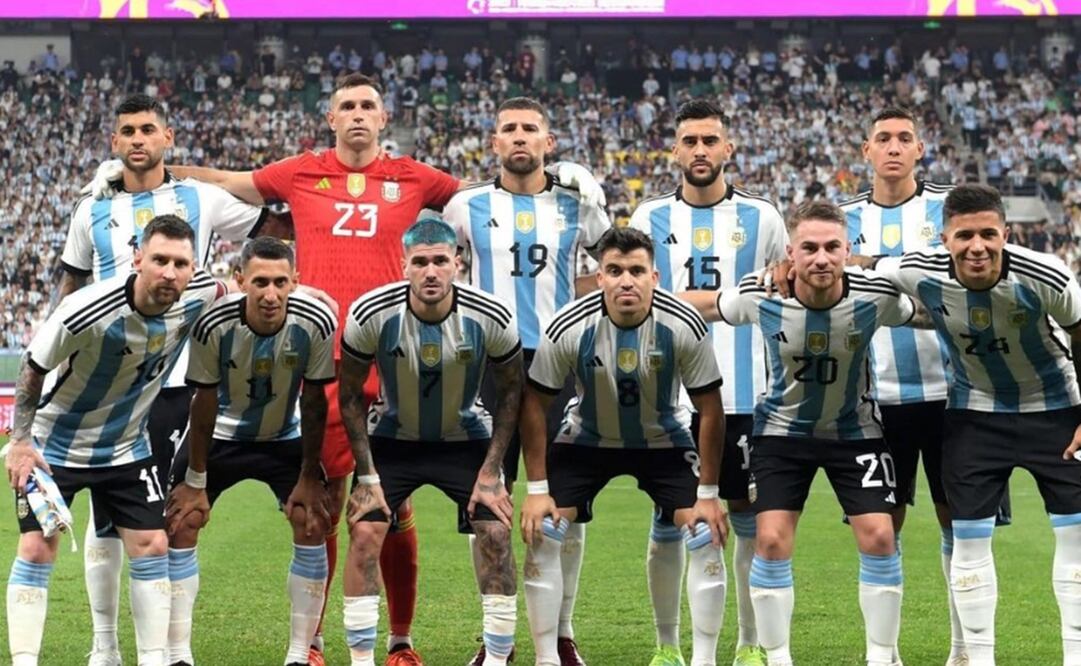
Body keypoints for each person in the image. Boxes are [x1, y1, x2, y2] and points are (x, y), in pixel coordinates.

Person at [85, 72, 600, 666]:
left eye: (368, 106)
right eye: (347, 106)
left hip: (399, 360)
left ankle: (401, 641)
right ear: (330, 119)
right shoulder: (299, 171)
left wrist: (563, 180)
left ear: (384, 119)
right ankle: (316, 643)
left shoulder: (416, 178)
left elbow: (496, 196)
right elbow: (231, 183)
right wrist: (149, 179)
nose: (358, 114)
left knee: (394, 506)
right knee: (327, 505)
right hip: (327, 364)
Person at [61, 93, 268, 666]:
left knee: (176, 517)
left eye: (147, 129)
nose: (137, 139)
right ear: (113, 142)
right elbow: (71, 291)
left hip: (181, 382)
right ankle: (104, 647)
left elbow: (269, 213)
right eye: (126, 130)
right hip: (109, 386)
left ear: (167, 137)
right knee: (106, 520)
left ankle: (177, 650)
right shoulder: (91, 211)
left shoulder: (198, 198)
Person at [688, 200, 923, 666]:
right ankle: (778, 658)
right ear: (789, 253)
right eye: (809, 248)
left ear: (848, 250)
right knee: (770, 539)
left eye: (832, 247)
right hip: (780, 435)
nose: (821, 258)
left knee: (879, 535)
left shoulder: (875, 295)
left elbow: (928, 310)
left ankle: (881, 657)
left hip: (856, 432)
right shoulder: (760, 294)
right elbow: (712, 306)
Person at [869, 184, 1081, 666]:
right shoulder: (918, 268)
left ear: (1006, 234)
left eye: (989, 234)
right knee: (967, 538)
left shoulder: (1047, 275)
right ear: (945, 239)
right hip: (975, 414)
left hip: (1055, 410)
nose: (977, 246)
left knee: (1075, 535)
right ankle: (977, 659)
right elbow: (868, 266)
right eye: (964, 235)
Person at [5, 216, 225, 666]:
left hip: (127, 447)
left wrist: (304, 292)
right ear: (137, 259)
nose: (170, 272)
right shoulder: (87, 309)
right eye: (159, 259)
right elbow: (32, 367)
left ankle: (152, 659)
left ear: (192, 268)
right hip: (55, 447)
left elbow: (231, 289)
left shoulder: (197, 293)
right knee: (37, 546)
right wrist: (22, 442)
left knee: (152, 544)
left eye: (181, 263)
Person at [840, 106, 1009, 666]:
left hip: (953, 395)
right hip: (874, 399)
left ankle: (963, 650)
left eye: (904, 138)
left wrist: (875, 263)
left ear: (920, 150)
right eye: (882, 137)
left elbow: (970, 264)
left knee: (957, 521)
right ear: (865, 150)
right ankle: (881, 654)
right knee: (881, 529)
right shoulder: (840, 221)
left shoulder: (949, 209)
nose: (893, 147)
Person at [444, 96, 609, 666]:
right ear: (493, 143)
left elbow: (608, 272)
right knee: (489, 505)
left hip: (558, 368)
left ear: (549, 141)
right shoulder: (466, 205)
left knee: (563, 506)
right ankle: (497, 642)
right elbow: (431, 265)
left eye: (530, 129)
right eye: (508, 129)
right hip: (487, 367)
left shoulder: (577, 203)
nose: (519, 137)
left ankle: (560, 633)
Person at [520, 226, 728, 666]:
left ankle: (703, 660)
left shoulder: (683, 323)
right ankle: (547, 659)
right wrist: (537, 489)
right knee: (544, 529)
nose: (625, 281)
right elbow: (534, 405)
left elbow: (710, 409)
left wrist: (708, 496)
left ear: (654, 276)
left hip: (664, 439)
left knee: (706, 532)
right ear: (600, 278)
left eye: (636, 270)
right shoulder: (568, 326)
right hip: (587, 440)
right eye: (614, 270)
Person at [628, 99, 787, 666]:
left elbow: (778, 292)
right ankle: (668, 646)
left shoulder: (763, 218)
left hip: (745, 395)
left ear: (729, 148)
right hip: (669, 399)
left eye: (710, 141)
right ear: (675, 150)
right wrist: (723, 303)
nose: (700, 151)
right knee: (670, 520)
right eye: (689, 141)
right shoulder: (650, 218)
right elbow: (639, 296)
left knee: (745, 522)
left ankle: (747, 646)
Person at [337, 219, 524, 666]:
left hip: (465, 440)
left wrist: (492, 471)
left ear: (457, 262)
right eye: (420, 262)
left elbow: (513, 391)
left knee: (495, 532)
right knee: (364, 531)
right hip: (392, 440)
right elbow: (348, 396)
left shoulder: (491, 314)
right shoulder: (370, 313)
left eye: (440, 260)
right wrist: (366, 475)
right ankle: (362, 661)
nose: (431, 272)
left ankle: (497, 659)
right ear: (404, 265)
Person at [162, 237, 337, 666]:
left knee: (312, 520)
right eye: (260, 282)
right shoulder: (213, 323)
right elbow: (201, 405)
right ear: (240, 280)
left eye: (281, 282)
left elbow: (315, 402)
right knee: (183, 520)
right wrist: (197, 481)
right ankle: (176, 654)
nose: (271, 294)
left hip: (284, 435)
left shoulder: (316, 320)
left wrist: (310, 476)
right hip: (218, 434)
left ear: (296, 281)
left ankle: (300, 654)